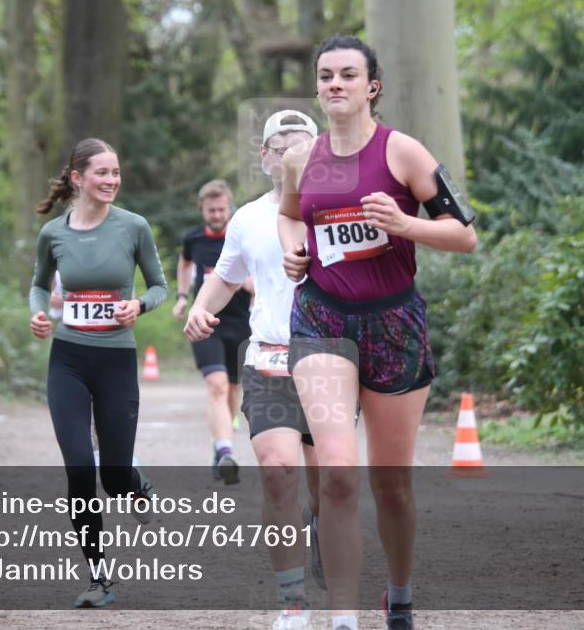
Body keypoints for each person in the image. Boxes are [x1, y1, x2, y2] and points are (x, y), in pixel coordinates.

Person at [277, 35, 478, 630]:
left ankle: (399, 593)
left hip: (393, 322)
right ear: (316, 88)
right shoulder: (300, 159)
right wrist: (295, 252)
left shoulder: (403, 153)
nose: (335, 84)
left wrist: (405, 224)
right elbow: (291, 217)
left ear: (373, 86)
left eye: (347, 75)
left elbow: (465, 235)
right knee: (338, 473)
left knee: (392, 486)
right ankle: (343, 616)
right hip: (321, 319)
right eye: (325, 76)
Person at [184, 110, 323, 630]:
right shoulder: (246, 218)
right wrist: (202, 308)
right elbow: (224, 277)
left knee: (329, 487)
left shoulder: (338, 209)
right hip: (268, 356)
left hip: (331, 360)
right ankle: (292, 601)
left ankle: (321, 533)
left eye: (302, 142)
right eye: (279, 143)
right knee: (278, 472)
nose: (290, 150)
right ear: (264, 157)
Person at [29, 137, 168, 609]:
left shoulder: (134, 227)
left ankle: (134, 482)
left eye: (116, 173)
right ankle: (98, 578)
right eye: (102, 173)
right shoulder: (54, 233)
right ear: (77, 178)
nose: (111, 180)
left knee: (112, 476)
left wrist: (139, 304)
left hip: (115, 362)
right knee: (79, 470)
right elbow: (37, 285)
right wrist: (38, 314)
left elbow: (160, 285)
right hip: (67, 360)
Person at [173, 180, 253, 484]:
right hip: (206, 322)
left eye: (222, 209)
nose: (217, 215)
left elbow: (266, 276)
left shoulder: (243, 236)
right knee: (217, 385)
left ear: (230, 207)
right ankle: (225, 450)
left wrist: (249, 285)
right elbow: (184, 263)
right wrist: (183, 297)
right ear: (202, 210)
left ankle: (220, 446)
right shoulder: (193, 239)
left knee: (233, 389)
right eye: (211, 210)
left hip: (242, 324)